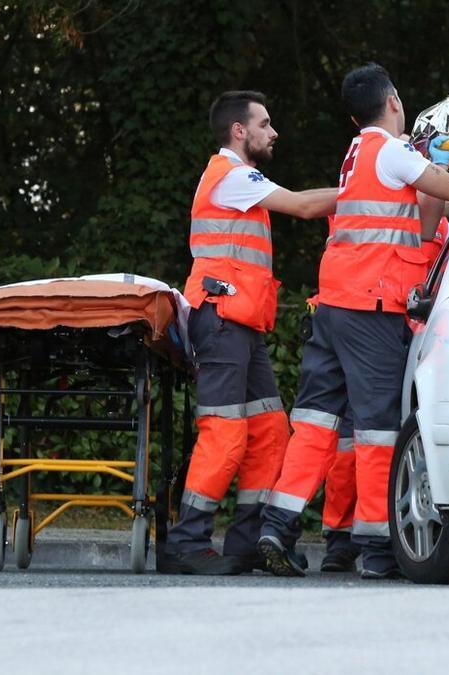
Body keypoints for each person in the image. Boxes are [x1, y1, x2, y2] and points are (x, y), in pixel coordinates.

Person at [257, 63, 449, 579]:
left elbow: (414, 210)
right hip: (373, 308)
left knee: (316, 423)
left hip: (335, 304)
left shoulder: (357, 152)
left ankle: (277, 524)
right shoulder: (391, 151)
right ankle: (376, 548)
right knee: (377, 431)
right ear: (393, 100)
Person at [158, 90, 338, 575]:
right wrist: (366, 191)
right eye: (265, 123)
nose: (272, 131)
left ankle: (243, 544)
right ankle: (185, 544)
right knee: (225, 433)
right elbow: (302, 206)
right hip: (221, 321)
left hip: (238, 323)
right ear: (240, 131)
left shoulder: (238, 178)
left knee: (270, 431)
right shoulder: (233, 175)